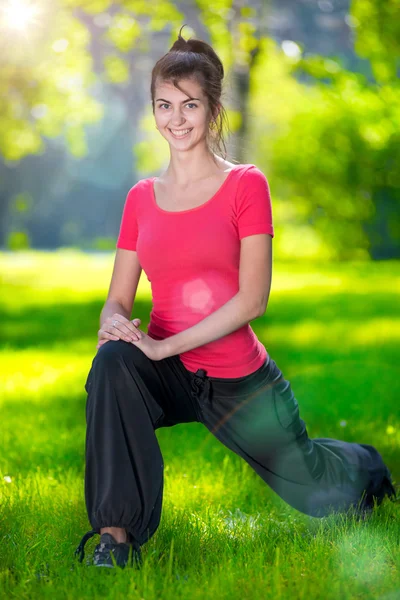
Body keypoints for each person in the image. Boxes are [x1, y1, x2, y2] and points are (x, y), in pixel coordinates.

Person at [75, 25, 396, 569]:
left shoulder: (246, 185)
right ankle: (116, 538)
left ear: (212, 109)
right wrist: (116, 325)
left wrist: (160, 346)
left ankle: (365, 466)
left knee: (320, 493)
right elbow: (117, 300)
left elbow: (252, 301)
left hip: (239, 381)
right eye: (164, 105)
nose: (176, 119)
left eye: (189, 105)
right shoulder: (141, 199)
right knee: (111, 364)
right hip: (167, 371)